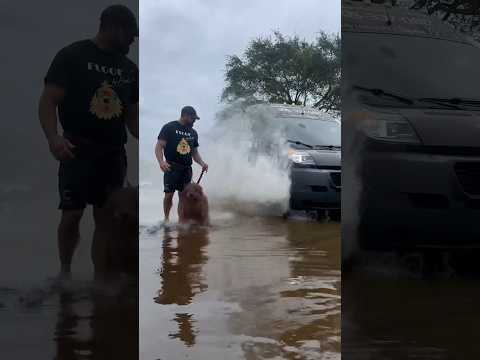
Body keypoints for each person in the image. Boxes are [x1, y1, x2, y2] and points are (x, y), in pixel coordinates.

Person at [38, 5, 139, 279]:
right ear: (113, 27)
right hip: (76, 150)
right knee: (71, 215)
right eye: (131, 34)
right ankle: (65, 273)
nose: (133, 40)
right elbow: (49, 101)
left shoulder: (130, 69)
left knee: (107, 220)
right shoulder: (73, 55)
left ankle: (101, 278)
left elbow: (132, 118)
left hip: (113, 154)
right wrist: (53, 137)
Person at [155, 106, 208, 222]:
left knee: (184, 196)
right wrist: (161, 162)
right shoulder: (169, 127)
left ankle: (181, 220)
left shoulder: (193, 133)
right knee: (169, 195)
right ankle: (166, 219)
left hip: (186, 169)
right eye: (193, 118)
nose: (194, 121)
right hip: (171, 167)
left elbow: (194, 153)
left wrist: (202, 163)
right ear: (185, 115)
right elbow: (159, 146)